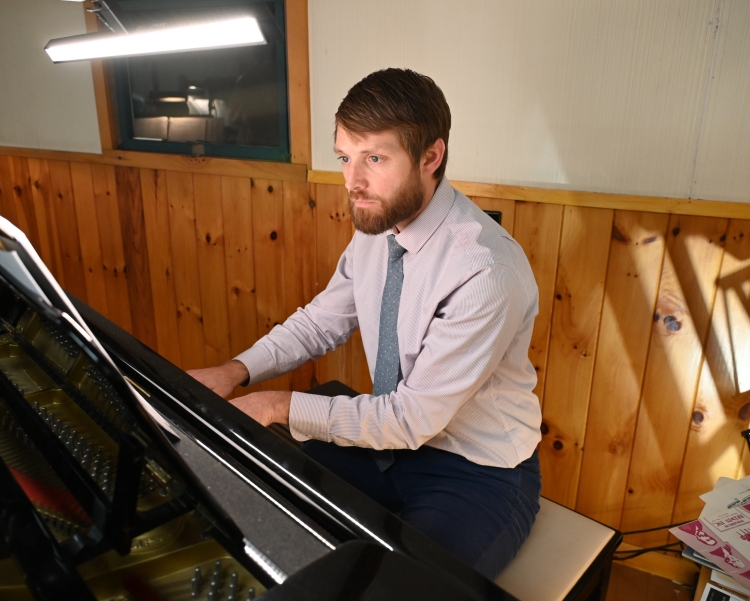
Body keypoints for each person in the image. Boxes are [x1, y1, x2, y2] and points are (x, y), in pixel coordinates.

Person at [188, 68, 543, 579]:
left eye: (374, 158)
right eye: (345, 158)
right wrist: (236, 370)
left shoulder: (485, 270)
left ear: (430, 156)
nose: (352, 183)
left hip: (476, 470)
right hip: (388, 446)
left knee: (399, 590)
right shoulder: (379, 224)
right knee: (248, 505)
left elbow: (411, 419)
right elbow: (320, 323)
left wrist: (276, 404)